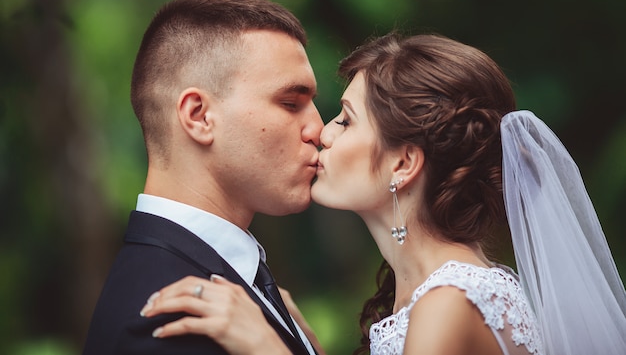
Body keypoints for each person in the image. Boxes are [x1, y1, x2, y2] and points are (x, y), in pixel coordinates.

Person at [139, 32, 626, 355]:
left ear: (404, 162)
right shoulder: (433, 291)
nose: (321, 133)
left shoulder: (449, 301)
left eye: (345, 120)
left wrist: (266, 348)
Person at [81, 0, 323, 355]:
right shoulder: (167, 321)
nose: (319, 128)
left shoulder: (232, 286)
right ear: (198, 116)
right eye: (290, 103)